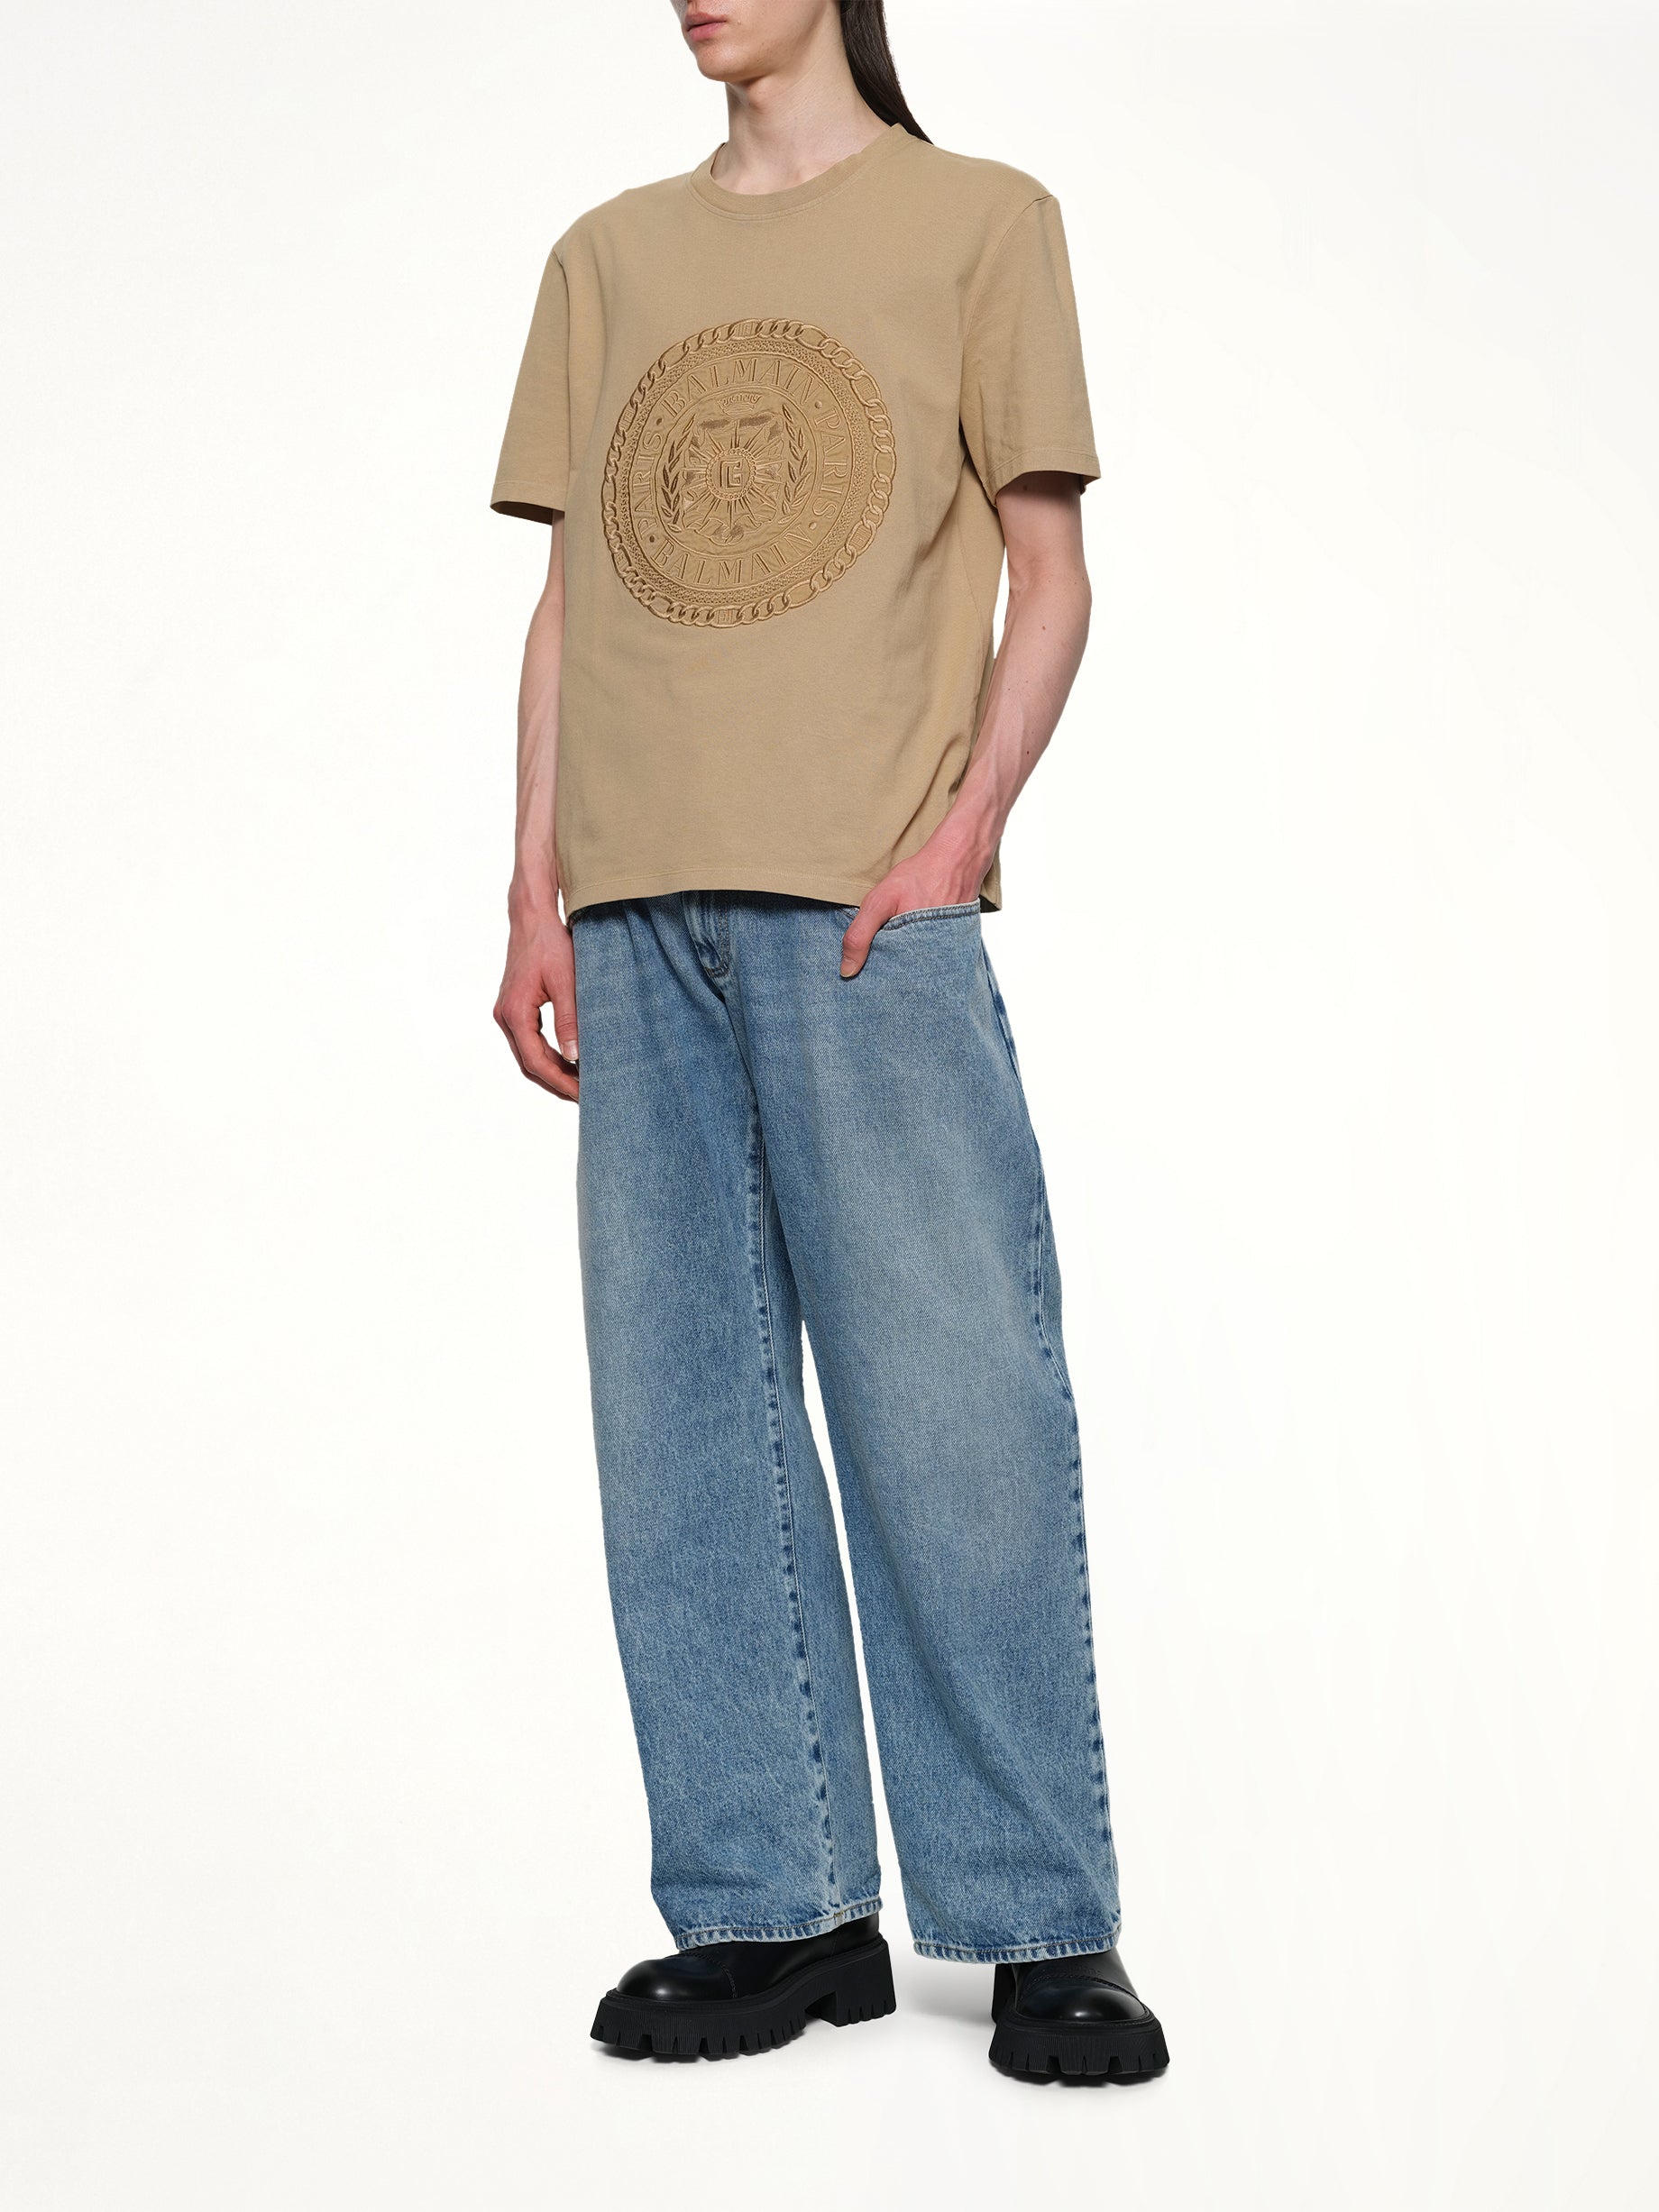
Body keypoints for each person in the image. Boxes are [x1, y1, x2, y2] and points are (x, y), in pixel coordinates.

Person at [490, 0, 1168, 2082]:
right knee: (680, 1425)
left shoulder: (980, 223)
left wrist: (964, 833)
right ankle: (774, 1912)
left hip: (865, 905)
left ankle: (1039, 1922)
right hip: (635, 907)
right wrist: (532, 887)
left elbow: (1047, 572)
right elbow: (572, 601)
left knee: (951, 1402)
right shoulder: (605, 256)